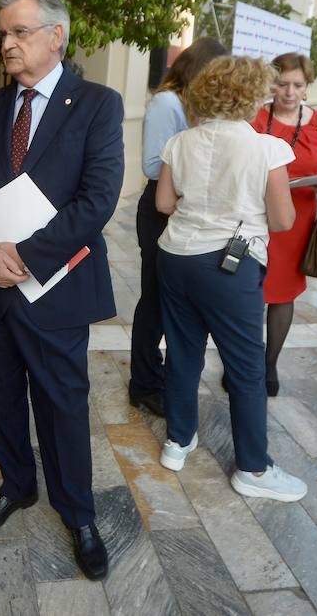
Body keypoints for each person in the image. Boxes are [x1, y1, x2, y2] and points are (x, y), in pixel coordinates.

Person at [0, 0, 122, 581]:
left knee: (62, 404)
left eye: (19, 32)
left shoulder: (98, 104)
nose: (7, 44)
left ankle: (79, 513)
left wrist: (23, 256)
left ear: (56, 35)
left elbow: (97, 200)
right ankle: (16, 486)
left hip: (56, 287)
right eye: (3, 34)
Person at [154, 55, 307, 502]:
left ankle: (178, 443)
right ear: (253, 96)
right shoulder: (267, 148)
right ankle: (253, 469)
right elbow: (281, 220)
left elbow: (164, 203)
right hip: (229, 265)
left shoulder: (180, 142)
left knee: (182, 353)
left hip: (176, 255)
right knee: (245, 366)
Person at [127, 37, 227, 418]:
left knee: (177, 302)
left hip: (186, 210)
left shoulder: (195, 106)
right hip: (159, 209)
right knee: (154, 300)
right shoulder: (167, 102)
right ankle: (144, 383)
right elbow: (153, 165)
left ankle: (163, 377)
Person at [249, 52, 317, 396]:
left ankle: (269, 363)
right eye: (282, 83)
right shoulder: (256, 118)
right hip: (258, 216)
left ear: (307, 87)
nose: (289, 92)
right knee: (251, 291)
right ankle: (247, 364)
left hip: (297, 218)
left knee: (283, 293)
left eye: (297, 85)